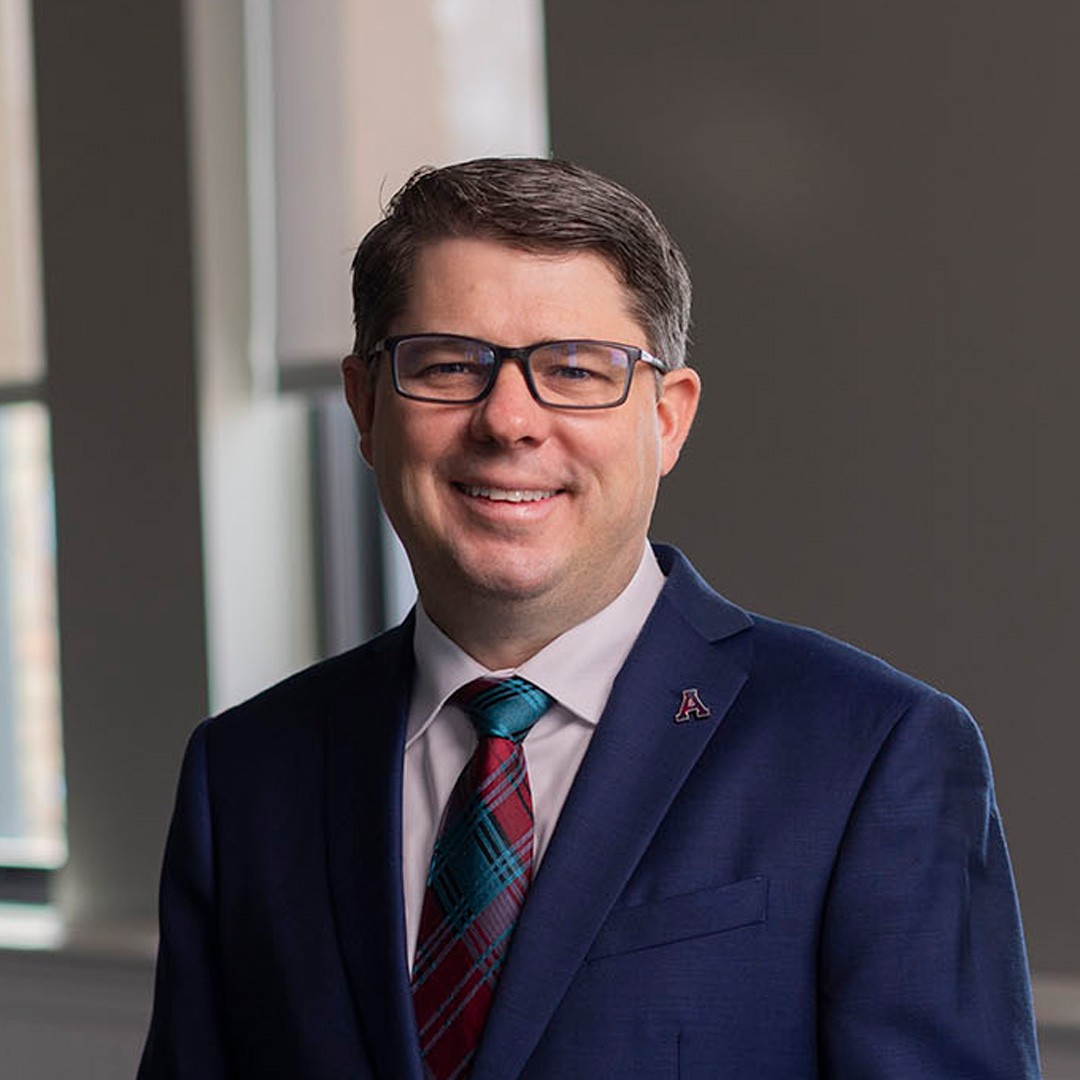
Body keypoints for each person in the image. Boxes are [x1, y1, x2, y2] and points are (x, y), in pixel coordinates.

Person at [138, 157, 1040, 1079]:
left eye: (573, 370)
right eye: (449, 365)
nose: (508, 421)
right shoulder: (244, 774)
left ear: (668, 420)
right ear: (366, 407)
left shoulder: (872, 752)